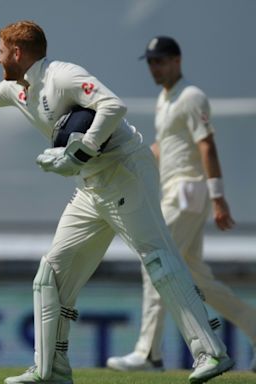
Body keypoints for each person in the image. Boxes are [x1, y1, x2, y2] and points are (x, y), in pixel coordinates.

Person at [0, 21, 233, 384]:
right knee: (50, 274)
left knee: (158, 261)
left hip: (123, 171)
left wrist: (81, 152)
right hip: (90, 187)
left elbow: (114, 106)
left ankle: (211, 353)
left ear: (17, 53)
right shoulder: (17, 89)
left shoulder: (62, 75)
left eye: (0, 50)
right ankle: (51, 369)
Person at [106, 36, 256, 374]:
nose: (154, 68)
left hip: (187, 193)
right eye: (150, 62)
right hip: (174, 193)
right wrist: (131, 167)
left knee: (155, 263)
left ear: (177, 61)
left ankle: (149, 353)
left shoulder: (191, 97)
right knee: (198, 280)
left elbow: (207, 147)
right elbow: (167, 146)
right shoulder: (166, 98)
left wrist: (219, 198)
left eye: (160, 61)